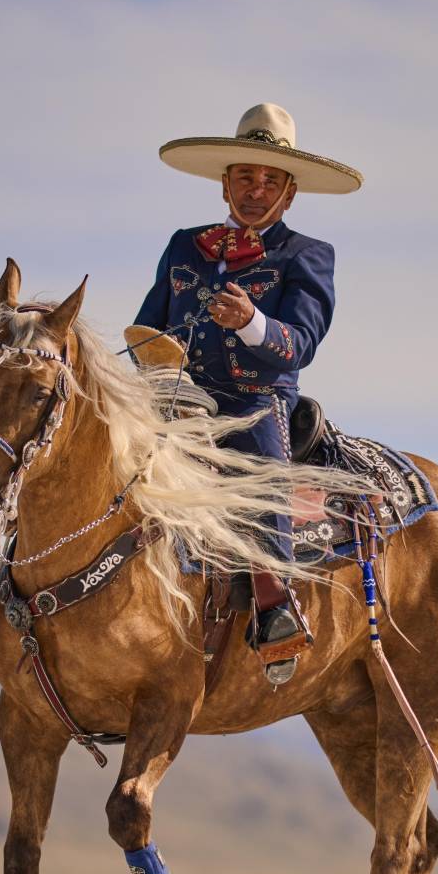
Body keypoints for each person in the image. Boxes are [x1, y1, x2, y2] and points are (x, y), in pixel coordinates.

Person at [133, 103, 362, 684]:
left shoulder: (307, 256)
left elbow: (301, 343)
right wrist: (156, 370)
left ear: (289, 195)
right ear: (225, 184)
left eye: (270, 182)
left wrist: (250, 323)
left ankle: (274, 605)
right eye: (245, 177)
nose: (256, 191)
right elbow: (147, 326)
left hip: (255, 400)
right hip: (175, 398)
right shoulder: (184, 246)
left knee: (259, 470)